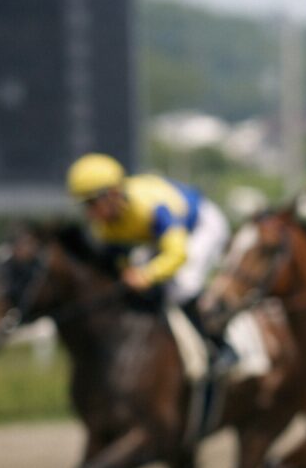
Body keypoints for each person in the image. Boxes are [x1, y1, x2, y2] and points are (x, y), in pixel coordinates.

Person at [66, 153, 232, 361]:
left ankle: (219, 346)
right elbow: (121, 262)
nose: (89, 213)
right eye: (85, 205)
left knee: (183, 285)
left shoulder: (151, 207)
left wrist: (147, 275)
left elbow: (178, 254)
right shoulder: (103, 227)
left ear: (113, 193)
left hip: (201, 225)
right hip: (158, 237)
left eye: (92, 203)